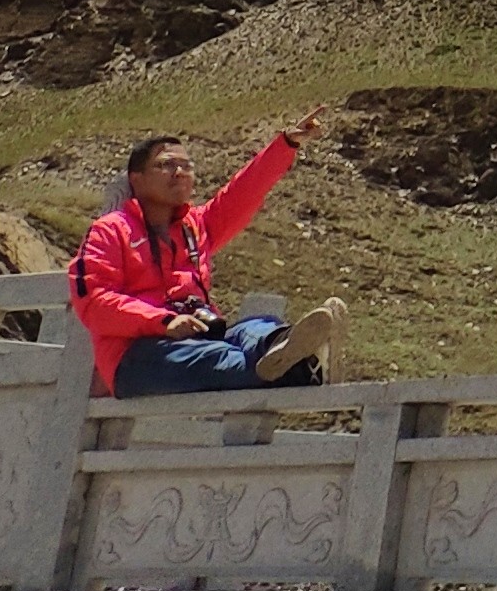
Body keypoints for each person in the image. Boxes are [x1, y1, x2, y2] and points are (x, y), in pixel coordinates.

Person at [73, 113, 352, 397]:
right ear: (137, 179)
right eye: (166, 165)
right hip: (137, 356)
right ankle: (304, 367)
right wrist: (164, 321)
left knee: (257, 327)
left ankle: (286, 348)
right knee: (215, 357)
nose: (180, 172)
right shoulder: (108, 231)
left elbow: (242, 194)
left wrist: (286, 144)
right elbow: (93, 301)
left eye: (186, 165)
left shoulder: (195, 226)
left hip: (202, 338)